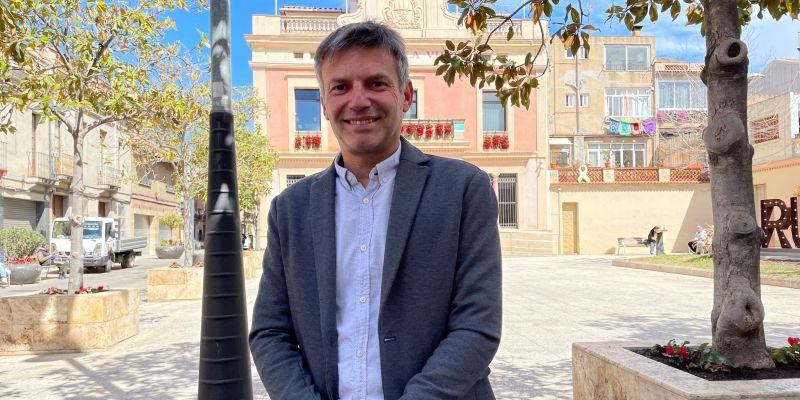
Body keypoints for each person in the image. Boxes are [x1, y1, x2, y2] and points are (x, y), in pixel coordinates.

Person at [249, 22, 502, 400]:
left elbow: (477, 326)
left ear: (405, 95)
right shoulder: (290, 210)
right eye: (340, 87)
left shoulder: (464, 190)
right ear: (323, 102)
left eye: (376, 83)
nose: (358, 100)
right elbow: (270, 332)